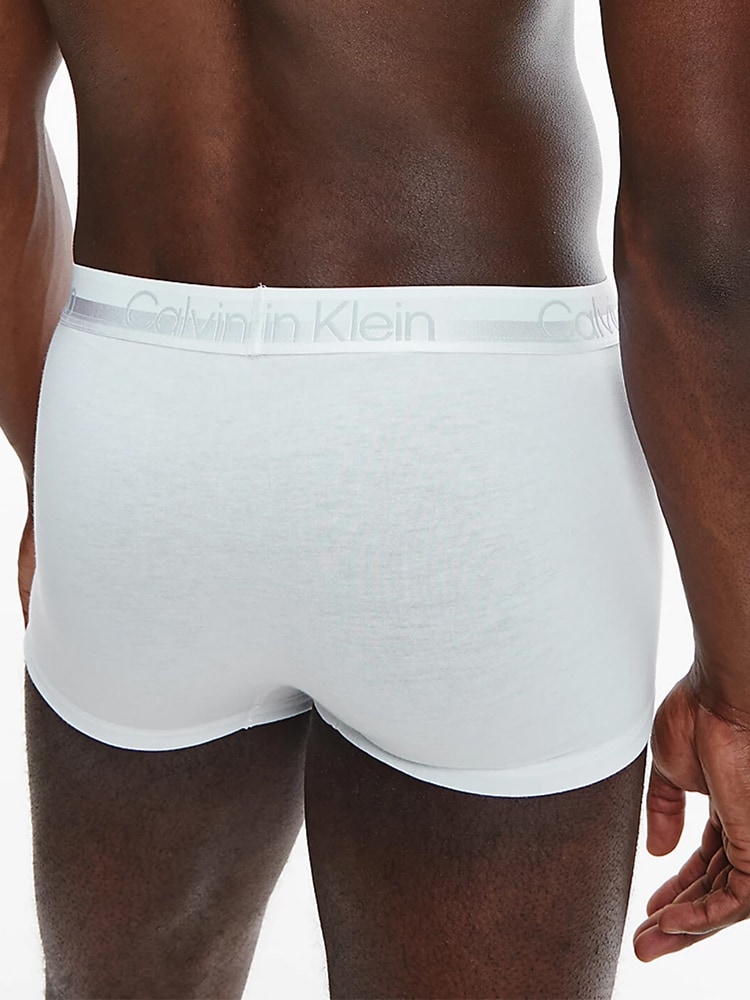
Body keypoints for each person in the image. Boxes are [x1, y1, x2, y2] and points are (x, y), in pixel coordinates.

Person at [2, 0, 749, 997]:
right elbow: (702, 242)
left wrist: (50, 467)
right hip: (481, 441)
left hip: (135, 419)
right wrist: (738, 685)